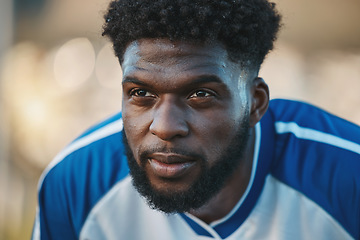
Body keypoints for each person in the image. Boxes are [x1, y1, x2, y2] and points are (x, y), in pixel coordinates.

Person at [32, 0, 360, 239]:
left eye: (200, 95)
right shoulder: (76, 184)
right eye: (140, 93)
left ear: (255, 104)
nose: (164, 126)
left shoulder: (347, 178)